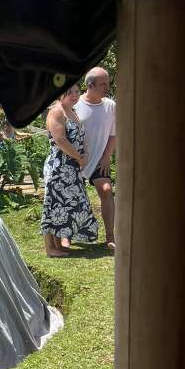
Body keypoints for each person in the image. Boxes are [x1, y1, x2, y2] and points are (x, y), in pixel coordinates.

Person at [41, 85, 98, 257]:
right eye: (69, 92)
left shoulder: (72, 111)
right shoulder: (56, 112)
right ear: (61, 94)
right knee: (53, 206)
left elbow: (80, 137)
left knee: (64, 206)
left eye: (77, 92)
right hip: (59, 168)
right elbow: (60, 140)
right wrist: (79, 157)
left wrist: (84, 154)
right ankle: (50, 247)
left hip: (71, 168)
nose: (74, 95)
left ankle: (58, 244)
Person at [73, 66, 116, 251]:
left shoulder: (111, 106)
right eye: (103, 84)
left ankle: (110, 236)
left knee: (106, 191)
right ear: (90, 86)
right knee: (71, 197)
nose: (107, 87)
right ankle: (65, 235)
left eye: (108, 83)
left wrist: (106, 157)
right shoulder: (75, 105)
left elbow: (113, 134)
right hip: (75, 160)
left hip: (100, 160)